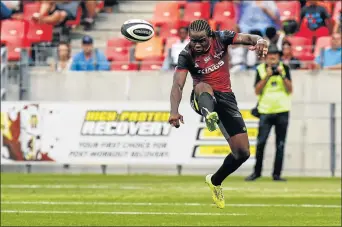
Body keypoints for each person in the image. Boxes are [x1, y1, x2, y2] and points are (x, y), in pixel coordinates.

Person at [168, 19, 268, 209]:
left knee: (242, 153)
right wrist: (174, 111)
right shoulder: (186, 54)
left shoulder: (222, 38)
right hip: (202, 96)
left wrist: (260, 40)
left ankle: (215, 180)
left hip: (227, 99)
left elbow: (249, 38)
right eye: (193, 41)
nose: (197, 45)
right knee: (202, 85)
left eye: (202, 41)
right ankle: (209, 115)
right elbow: (177, 84)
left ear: (211, 36)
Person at [245, 44, 292, 182]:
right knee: (261, 143)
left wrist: (282, 75)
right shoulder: (260, 70)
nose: (273, 57)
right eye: (270, 55)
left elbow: (290, 89)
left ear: (278, 57)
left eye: (275, 55)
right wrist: (267, 76)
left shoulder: (285, 68)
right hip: (265, 111)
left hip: (282, 110)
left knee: (280, 144)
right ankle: (257, 172)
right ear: (266, 57)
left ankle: (276, 174)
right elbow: (257, 91)